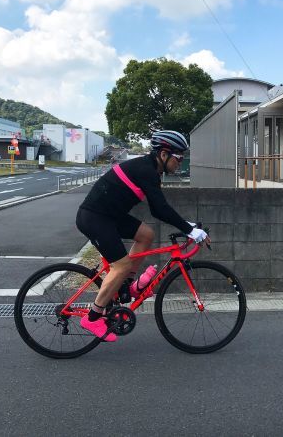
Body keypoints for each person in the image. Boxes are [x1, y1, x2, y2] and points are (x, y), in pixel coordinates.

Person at [76, 130, 209, 341]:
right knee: (121, 265)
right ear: (164, 154)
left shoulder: (150, 170)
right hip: (95, 218)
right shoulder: (146, 170)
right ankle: (92, 317)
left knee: (146, 235)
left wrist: (188, 226)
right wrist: (189, 229)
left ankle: (126, 287)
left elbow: (159, 209)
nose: (180, 163)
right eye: (179, 158)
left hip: (110, 216)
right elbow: (160, 209)